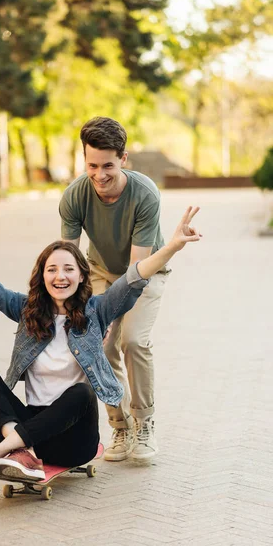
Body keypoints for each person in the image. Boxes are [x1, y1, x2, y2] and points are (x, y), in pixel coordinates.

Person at [0, 200, 201, 489]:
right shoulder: (26, 311)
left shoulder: (98, 311)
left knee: (82, 392)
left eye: (69, 269)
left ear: (83, 276)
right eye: (52, 269)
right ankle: (21, 450)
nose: (60, 276)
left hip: (75, 440)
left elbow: (134, 277)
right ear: (42, 277)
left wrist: (173, 245)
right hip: (36, 429)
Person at [59, 116, 171, 462]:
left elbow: (137, 271)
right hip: (99, 271)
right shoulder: (74, 196)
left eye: (108, 165)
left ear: (123, 159)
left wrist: (109, 312)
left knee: (132, 340)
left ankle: (144, 423)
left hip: (146, 270)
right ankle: (120, 426)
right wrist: (75, 310)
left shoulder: (145, 195)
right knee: (99, 342)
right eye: (92, 165)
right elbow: (67, 259)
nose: (99, 175)